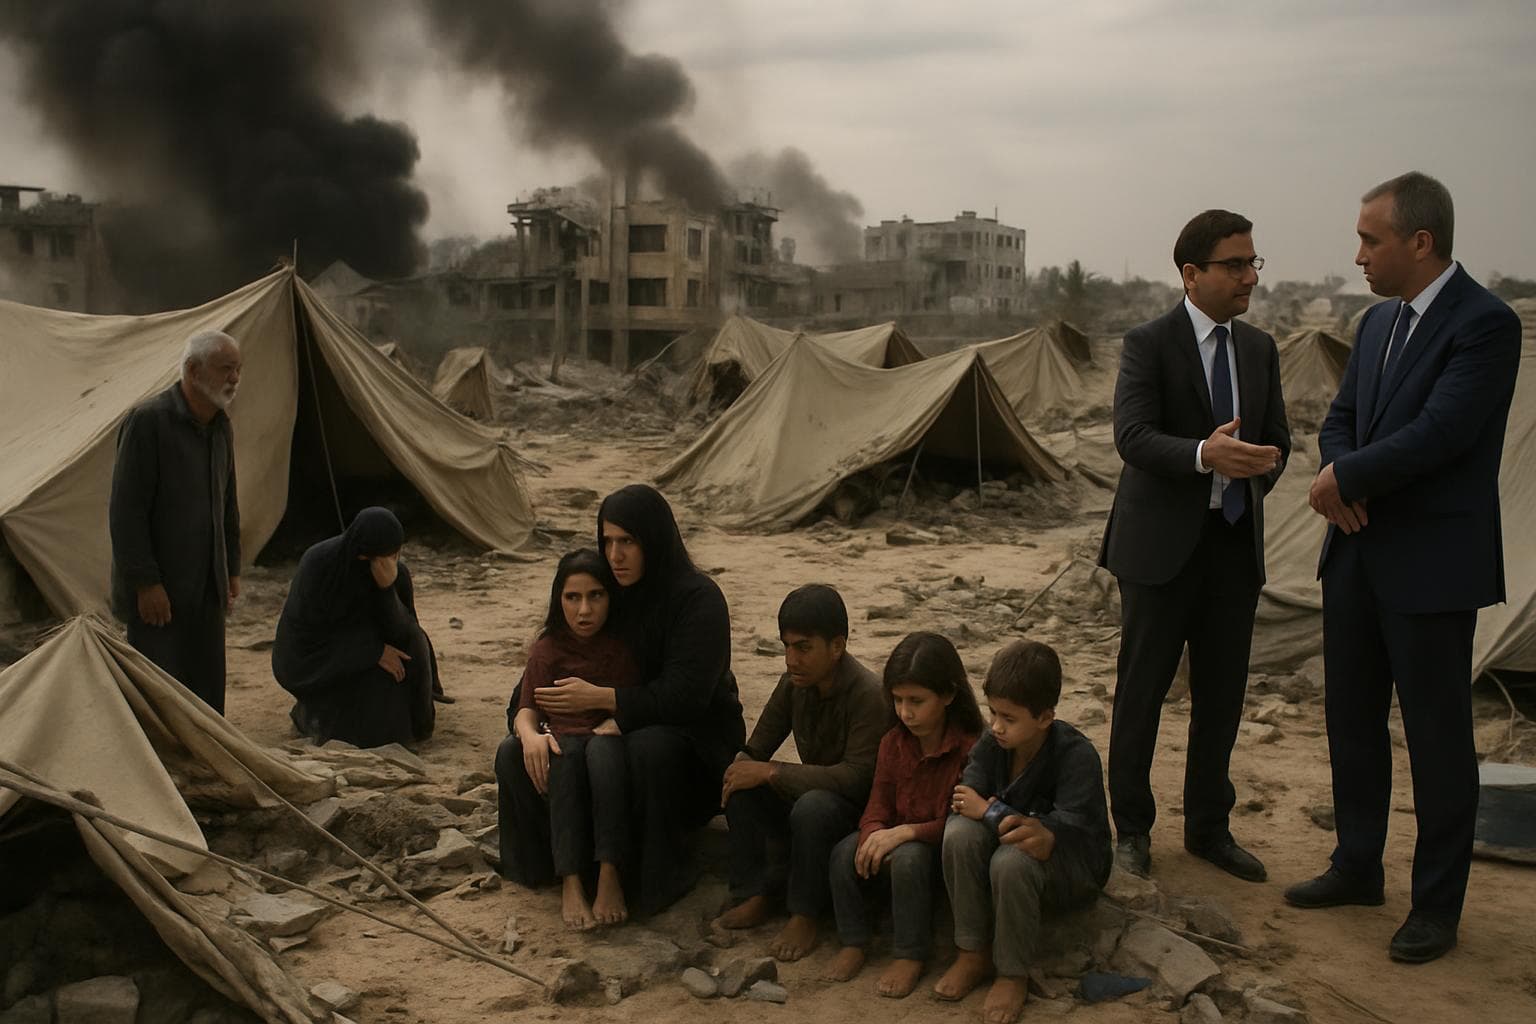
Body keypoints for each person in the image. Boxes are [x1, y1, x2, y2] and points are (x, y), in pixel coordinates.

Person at [1287, 172, 1523, 964]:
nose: (1357, 255)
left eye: (1370, 239)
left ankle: (1435, 907)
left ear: (1420, 242)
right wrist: (1339, 475)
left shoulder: (1486, 325)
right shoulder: (1376, 322)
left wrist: (1346, 480)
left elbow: (1443, 432)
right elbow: (1343, 420)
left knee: (1436, 738)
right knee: (1352, 723)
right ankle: (1357, 866)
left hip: (1431, 565)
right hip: (1355, 553)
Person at [1098, 209, 1290, 882]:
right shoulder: (1148, 343)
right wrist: (1207, 453)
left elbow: (1281, 441)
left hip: (1233, 546)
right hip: (1158, 551)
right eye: (1235, 265)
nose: (1249, 278)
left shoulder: (1260, 349)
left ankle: (1210, 828)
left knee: (1222, 695)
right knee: (1141, 693)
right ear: (1191, 274)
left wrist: (1261, 462)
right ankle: (1132, 831)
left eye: (1252, 263)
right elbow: (1134, 437)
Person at [531, 484, 745, 916]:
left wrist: (609, 702)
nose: (615, 555)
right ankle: (557, 870)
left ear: (654, 538)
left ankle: (656, 880)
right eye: (607, 541)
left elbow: (687, 697)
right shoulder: (609, 596)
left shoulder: (698, 599)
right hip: (613, 736)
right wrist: (531, 728)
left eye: (627, 541)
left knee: (645, 747)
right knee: (541, 750)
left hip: (695, 743)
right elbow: (552, 664)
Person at [713, 584, 890, 961]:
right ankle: (757, 892)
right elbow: (757, 748)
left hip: (857, 815)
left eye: (804, 647)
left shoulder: (868, 694)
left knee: (814, 806)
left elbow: (857, 777)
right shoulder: (793, 685)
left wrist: (773, 772)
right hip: (811, 795)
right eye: (786, 647)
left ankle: (805, 914)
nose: (792, 659)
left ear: (837, 646)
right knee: (742, 779)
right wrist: (741, 765)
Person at [939, 640, 1112, 1024]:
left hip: (1070, 868)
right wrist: (995, 815)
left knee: (1011, 861)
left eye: (1010, 718)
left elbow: (1063, 832)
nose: (997, 726)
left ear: (1045, 718)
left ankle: (1012, 972)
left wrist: (992, 812)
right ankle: (972, 951)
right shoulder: (993, 742)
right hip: (1013, 841)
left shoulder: (1076, 756)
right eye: (993, 713)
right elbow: (968, 797)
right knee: (959, 834)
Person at [823, 631, 983, 998]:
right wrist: (873, 835)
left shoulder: (971, 748)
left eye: (916, 701)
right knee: (844, 851)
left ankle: (911, 953)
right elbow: (877, 805)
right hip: (895, 838)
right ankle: (854, 940)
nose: (905, 712)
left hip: (937, 849)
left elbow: (960, 824)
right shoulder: (892, 743)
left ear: (948, 695)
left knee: (910, 858)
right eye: (897, 700)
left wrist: (905, 833)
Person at [494, 549, 640, 930]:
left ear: (611, 597)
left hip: (606, 738)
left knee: (604, 756)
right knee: (562, 757)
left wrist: (619, 719)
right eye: (572, 598)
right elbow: (527, 708)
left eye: (596, 596)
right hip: (559, 740)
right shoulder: (547, 648)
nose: (584, 610)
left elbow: (633, 702)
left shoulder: (622, 647)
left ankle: (610, 874)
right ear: (559, 600)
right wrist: (529, 737)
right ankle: (570, 881)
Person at [110, 329, 244, 714]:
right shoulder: (148, 422)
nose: (234, 378)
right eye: (225, 368)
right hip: (160, 591)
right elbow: (126, 512)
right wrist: (146, 582)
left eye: (238, 369)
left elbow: (228, 503)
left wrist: (230, 569)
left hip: (207, 586)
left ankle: (205, 763)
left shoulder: (221, 426)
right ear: (192, 369)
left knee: (206, 695)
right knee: (160, 695)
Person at [272, 507, 438, 748]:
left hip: (370, 655)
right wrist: (371, 652)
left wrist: (386, 590)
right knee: (367, 725)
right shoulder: (320, 565)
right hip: (318, 661)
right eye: (386, 557)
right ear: (364, 556)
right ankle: (310, 717)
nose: (394, 561)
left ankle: (420, 724)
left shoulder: (396, 574)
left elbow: (404, 634)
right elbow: (305, 635)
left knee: (414, 646)